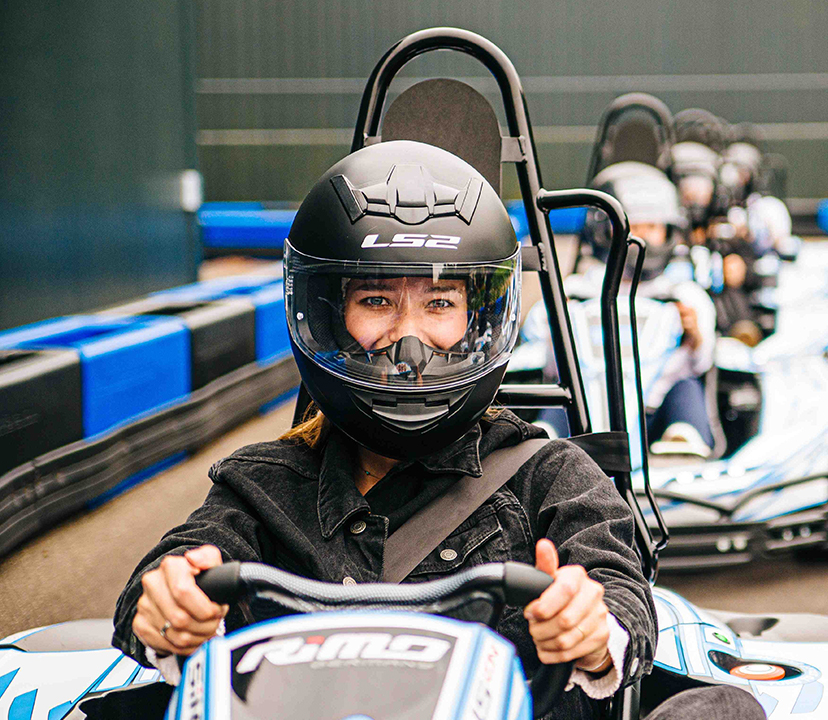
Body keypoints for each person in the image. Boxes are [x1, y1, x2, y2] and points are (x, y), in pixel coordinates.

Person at [111, 141, 762, 720]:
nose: (409, 343)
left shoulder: (548, 475)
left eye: (440, 303)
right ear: (326, 316)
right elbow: (171, 572)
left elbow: (619, 591)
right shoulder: (263, 486)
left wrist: (590, 629)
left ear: (479, 323)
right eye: (375, 301)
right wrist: (169, 605)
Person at [570, 161, 718, 457]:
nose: (643, 237)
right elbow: (543, 359)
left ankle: (684, 437)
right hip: (585, 408)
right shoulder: (575, 290)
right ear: (604, 230)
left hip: (653, 409)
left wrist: (694, 337)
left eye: (652, 227)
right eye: (634, 226)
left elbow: (702, 363)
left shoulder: (684, 294)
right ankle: (548, 439)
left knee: (686, 387)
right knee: (560, 398)